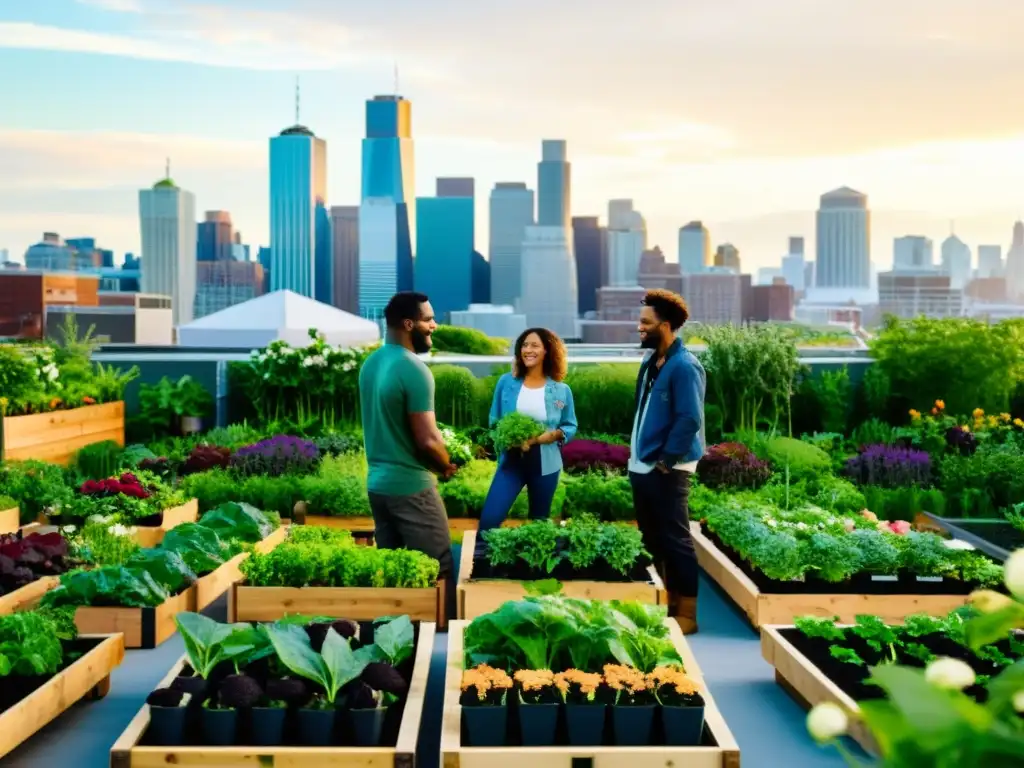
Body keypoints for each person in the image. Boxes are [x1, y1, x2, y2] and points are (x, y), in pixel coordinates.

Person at [359, 291, 457, 620]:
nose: (435, 325)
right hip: (411, 487)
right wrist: (447, 466)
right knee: (437, 570)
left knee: (395, 575)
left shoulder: (371, 364)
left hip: (378, 487)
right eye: (428, 319)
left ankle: (397, 653)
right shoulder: (413, 369)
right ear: (408, 323)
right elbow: (428, 440)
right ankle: (437, 658)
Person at [628, 289, 706, 634]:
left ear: (667, 325)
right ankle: (662, 605)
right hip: (644, 464)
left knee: (675, 537)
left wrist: (666, 460)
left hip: (668, 468)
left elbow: (689, 418)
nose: (639, 327)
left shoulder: (685, 366)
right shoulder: (652, 362)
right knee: (650, 537)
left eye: (646, 322)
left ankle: (687, 614)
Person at [476, 328, 577, 554]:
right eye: (524, 345)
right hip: (511, 463)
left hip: (545, 465)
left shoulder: (561, 390)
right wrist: (507, 438)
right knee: (489, 522)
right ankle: (480, 572)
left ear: (547, 351)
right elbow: (494, 421)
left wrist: (552, 436)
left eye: (534, 345)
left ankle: (535, 575)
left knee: (539, 524)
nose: (528, 350)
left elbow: (570, 425)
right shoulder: (506, 383)